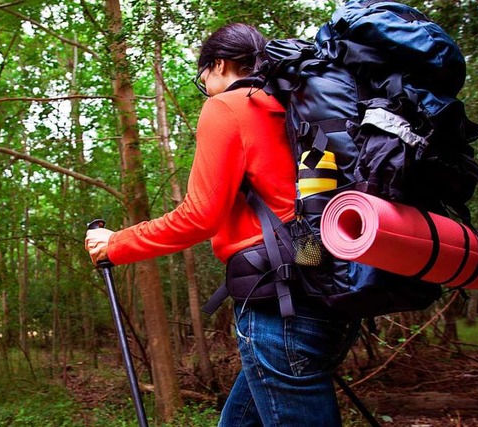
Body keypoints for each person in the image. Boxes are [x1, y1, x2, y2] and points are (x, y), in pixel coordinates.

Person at [85, 23, 357, 426]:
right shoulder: (298, 105)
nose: (206, 87)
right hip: (330, 288)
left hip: (277, 305)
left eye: (204, 76)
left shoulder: (229, 107)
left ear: (220, 64)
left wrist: (117, 243)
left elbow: (199, 216)